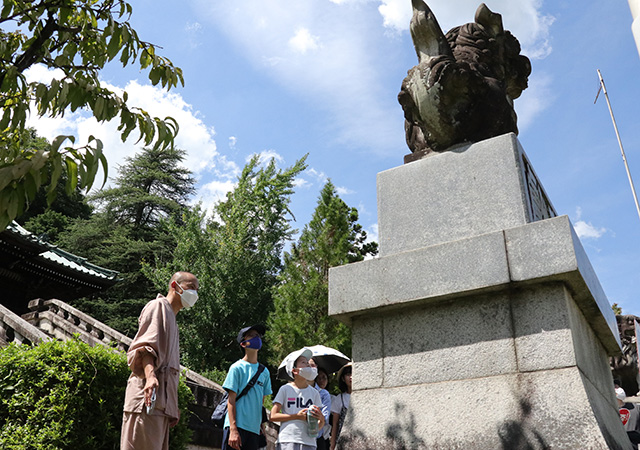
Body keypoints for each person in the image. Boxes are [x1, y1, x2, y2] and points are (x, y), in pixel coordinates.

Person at [121, 271, 199, 450]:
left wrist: (173, 405)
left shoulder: (172, 317)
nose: (195, 293)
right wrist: (150, 377)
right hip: (146, 398)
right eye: (191, 287)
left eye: (197, 289)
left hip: (161, 404)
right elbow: (145, 348)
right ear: (174, 286)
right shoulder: (158, 307)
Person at [222, 325, 272, 450]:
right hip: (236, 427)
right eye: (252, 335)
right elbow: (231, 400)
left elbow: (260, 403)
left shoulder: (264, 372)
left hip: (254, 430)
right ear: (243, 343)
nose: (257, 338)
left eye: (258, 336)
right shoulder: (236, 368)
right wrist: (233, 429)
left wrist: (262, 430)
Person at [271, 348, 325, 450]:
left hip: (309, 442)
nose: (308, 365)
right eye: (303, 362)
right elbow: (273, 416)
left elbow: (319, 424)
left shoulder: (315, 393)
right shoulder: (285, 389)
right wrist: (296, 416)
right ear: (294, 370)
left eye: (308, 363)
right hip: (287, 440)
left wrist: (321, 419)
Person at [309, 358, 331, 450]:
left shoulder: (323, 393)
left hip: (317, 437)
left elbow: (325, 417)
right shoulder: (296, 390)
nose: (310, 368)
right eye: (307, 365)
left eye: (313, 365)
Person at [330, 363, 351, 450]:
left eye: (353, 373)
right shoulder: (339, 398)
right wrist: (333, 444)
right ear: (343, 378)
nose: (351, 377)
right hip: (343, 440)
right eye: (348, 374)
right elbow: (335, 424)